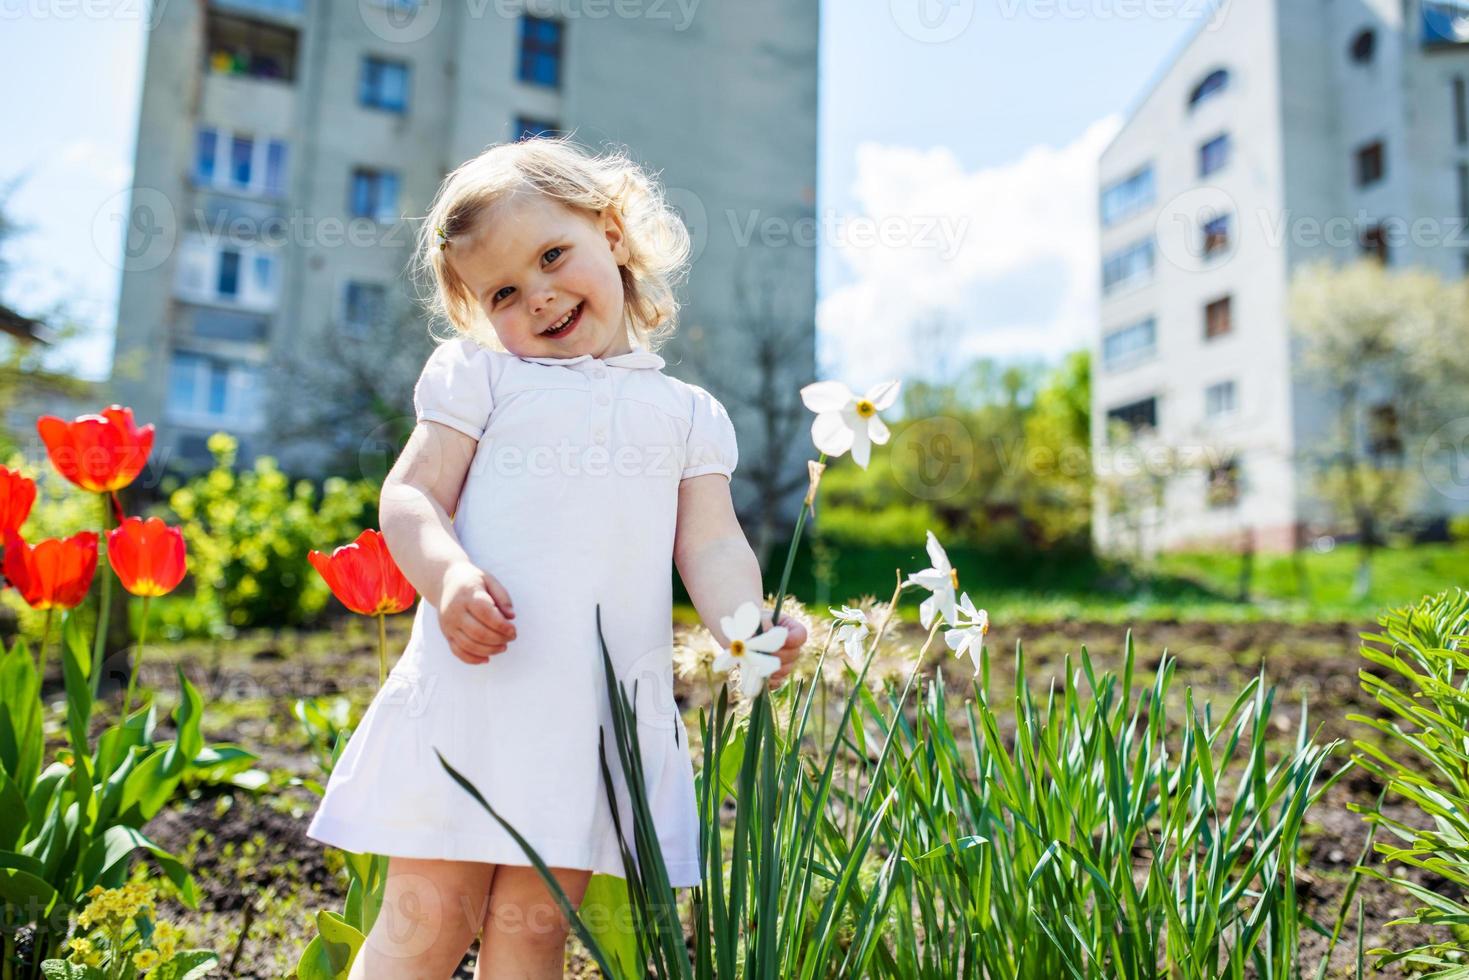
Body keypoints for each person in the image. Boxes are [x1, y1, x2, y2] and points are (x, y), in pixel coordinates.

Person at [305, 134, 808, 979]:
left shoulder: (687, 414)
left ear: (610, 231)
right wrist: (448, 575)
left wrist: (744, 629)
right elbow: (411, 495)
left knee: (533, 933)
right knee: (426, 926)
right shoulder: (483, 379)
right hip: (478, 694)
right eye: (504, 290)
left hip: (591, 718)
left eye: (552, 256)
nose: (537, 297)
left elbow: (712, 543)